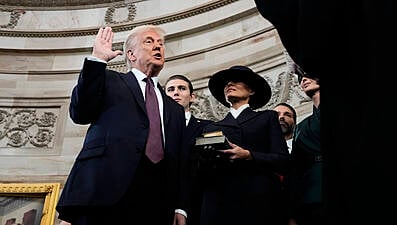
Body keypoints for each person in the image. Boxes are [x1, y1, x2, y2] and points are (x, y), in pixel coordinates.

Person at [56, 25, 188, 225]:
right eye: (149, 42)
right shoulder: (109, 80)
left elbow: (179, 161)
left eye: (161, 43)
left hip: (156, 200)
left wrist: (180, 205)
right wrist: (98, 60)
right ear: (131, 55)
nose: (158, 47)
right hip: (104, 192)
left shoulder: (175, 109)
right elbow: (80, 113)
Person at [198, 65, 290, 225]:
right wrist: (206, 157)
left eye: (236, 80)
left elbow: (282, 160)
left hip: (259, 202)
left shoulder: (267, 118)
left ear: (251, 91)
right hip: (221, 203)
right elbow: (201, 173)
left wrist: (249, 155)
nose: (229, 84)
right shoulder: (211, 128)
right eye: (226, 83)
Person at [164, 74, 212, 225]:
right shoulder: (154, 128)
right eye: (170, 89)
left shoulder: (207, 127)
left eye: (181, 88)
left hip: (198, 206)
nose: (176, 92)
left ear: (192, 97)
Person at [288, 66, 321, 225]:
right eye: (301, 79)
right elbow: (296, 167)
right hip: (311, 191)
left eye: (308, 75)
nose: (304, 80)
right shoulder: (301, 126)